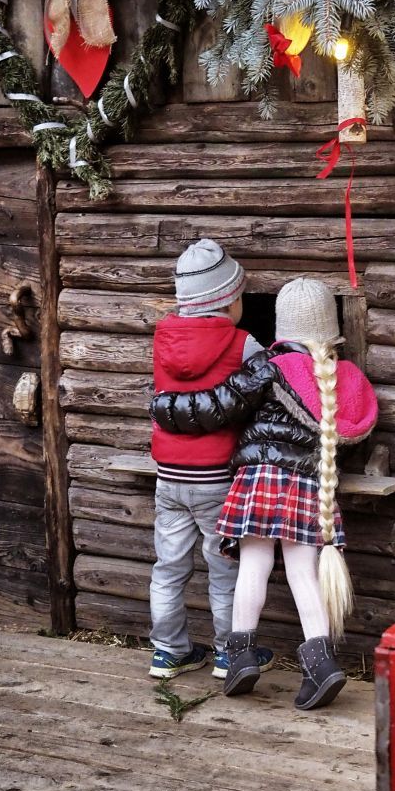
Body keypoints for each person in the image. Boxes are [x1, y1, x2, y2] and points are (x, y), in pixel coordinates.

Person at [150, 277, 378, 710]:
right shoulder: (345, 378)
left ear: (281, 328)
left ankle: (240, 659)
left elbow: (216, 407)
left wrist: (163, 406)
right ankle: (322, 662)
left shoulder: (269, 367)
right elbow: (357, 431)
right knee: (304, 575)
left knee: (252, 567)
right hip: (313, 485)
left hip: (260, 482)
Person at [148, 239, 274, 682]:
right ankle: (227, 653)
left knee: (169, 566)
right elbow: (269, 397)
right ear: (227, 300)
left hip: (168, 477)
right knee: (225, 568)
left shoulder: (163, 339)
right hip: (218, 477)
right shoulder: (244, 344)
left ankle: (168, 651)